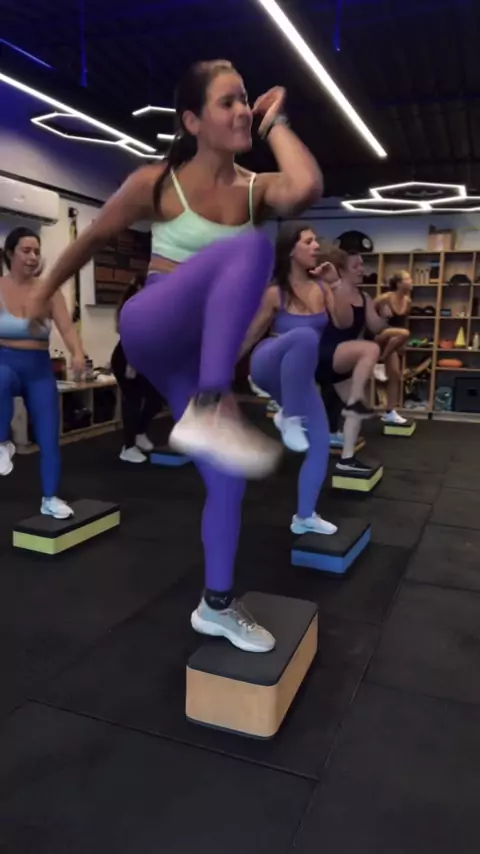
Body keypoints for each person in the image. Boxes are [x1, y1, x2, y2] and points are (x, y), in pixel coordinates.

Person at [25, 59, 323, 653]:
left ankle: (216, 605)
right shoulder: (157, 183)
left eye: (245, 100)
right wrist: (42, 291)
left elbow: (307, 186)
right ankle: (211, 404)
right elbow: (91, 239)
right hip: (153, 322)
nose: (241, 111)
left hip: (197, 357)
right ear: (191, 120)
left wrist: (275, 121)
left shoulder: (256, 189)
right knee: (248, 252)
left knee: (229, 480)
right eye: (227, 102)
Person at [239, 224, 337, 536]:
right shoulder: (275, 293)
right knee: (305, 335)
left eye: (316, 241)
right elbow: (250, 335)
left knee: (320, 443)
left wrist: (334, 283)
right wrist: (216, 372)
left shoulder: (323, 289)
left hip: (298, 380)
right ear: (291, 250)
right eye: (309, 241)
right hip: (268, 364)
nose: (316, 246)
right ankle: (290, 417)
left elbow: (344, 322)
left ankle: (304, 516)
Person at [0, 227, 84, 518]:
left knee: (49, 438)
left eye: (36, 251)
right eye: (26, 250)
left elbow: (67, 329)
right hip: (5, 363)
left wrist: (78, 353)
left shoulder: (49, 291)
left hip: (39, 369)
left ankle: (50, 498)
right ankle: (3, 442)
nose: (33, 257)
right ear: (10, 253)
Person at [316, 247, 385, 474]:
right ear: (341, 270)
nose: (362, 269)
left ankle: (347, 459)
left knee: (357, 413)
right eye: (356, 265)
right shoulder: (329, 291)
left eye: (362, 265)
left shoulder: (364, 297)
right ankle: (356, 399)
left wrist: (387, 315)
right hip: (324, 354)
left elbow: (376, 327)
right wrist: (336, 287)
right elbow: (342, 323)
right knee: (370, 348)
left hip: (344, 358)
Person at [111, 276, 165, 463]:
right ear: (141, 286)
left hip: (142, 358)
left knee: (156, 398)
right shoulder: (131, 306)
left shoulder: (151, 306)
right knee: (132, 400)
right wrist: (131, 364)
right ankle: (128, 447)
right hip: (126, 358)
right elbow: (128, 336)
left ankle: (140, 433)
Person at [374, 270, 412, 424]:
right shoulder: (384, 298)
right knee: (405, 333)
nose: (411, 282)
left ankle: (390, 412)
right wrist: (380, 317)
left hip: (393, 341)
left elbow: (404, 322)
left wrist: (402, 344)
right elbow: (367, 314)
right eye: (408, 279)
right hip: (380, 335)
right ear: (398, 283)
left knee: (395, 374)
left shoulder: (408, 301)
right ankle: (380, 361)